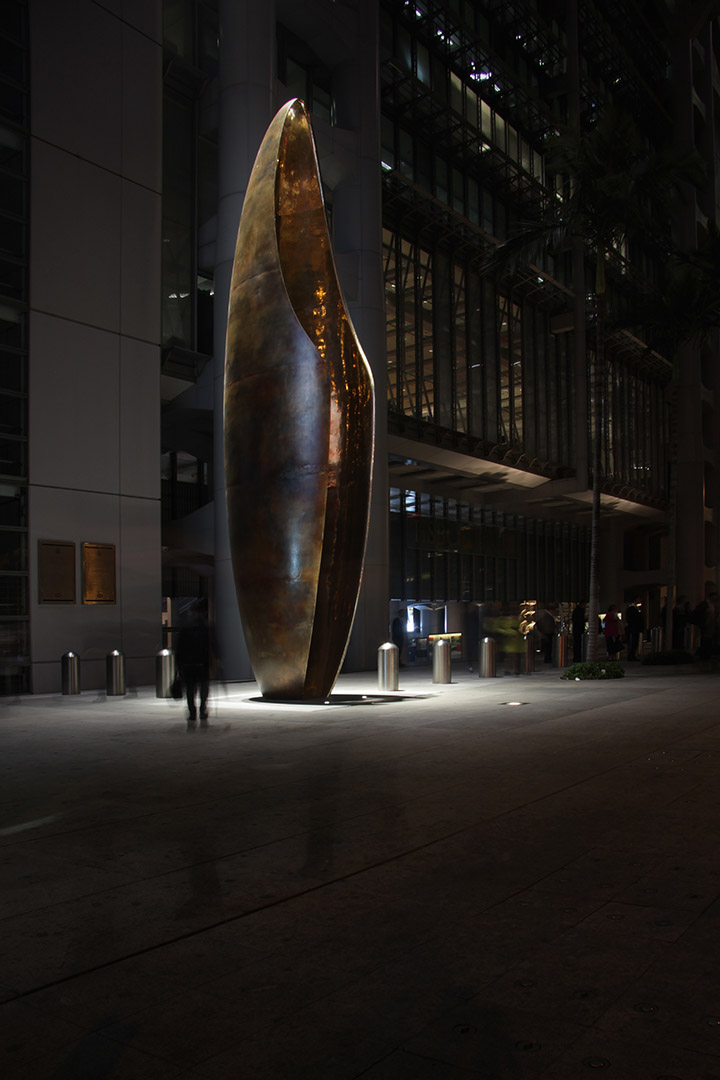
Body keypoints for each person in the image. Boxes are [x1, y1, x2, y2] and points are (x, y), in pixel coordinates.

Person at [175, 605, 217, 728]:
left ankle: (192, 712)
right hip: (202, 663)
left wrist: (178, 666)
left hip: (188, 665)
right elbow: (213, 645)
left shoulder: (185, 629)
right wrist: (216, 659)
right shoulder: (206, 628)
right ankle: (202, 710)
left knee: (190, 689)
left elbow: (179, 649)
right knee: (203, 688)